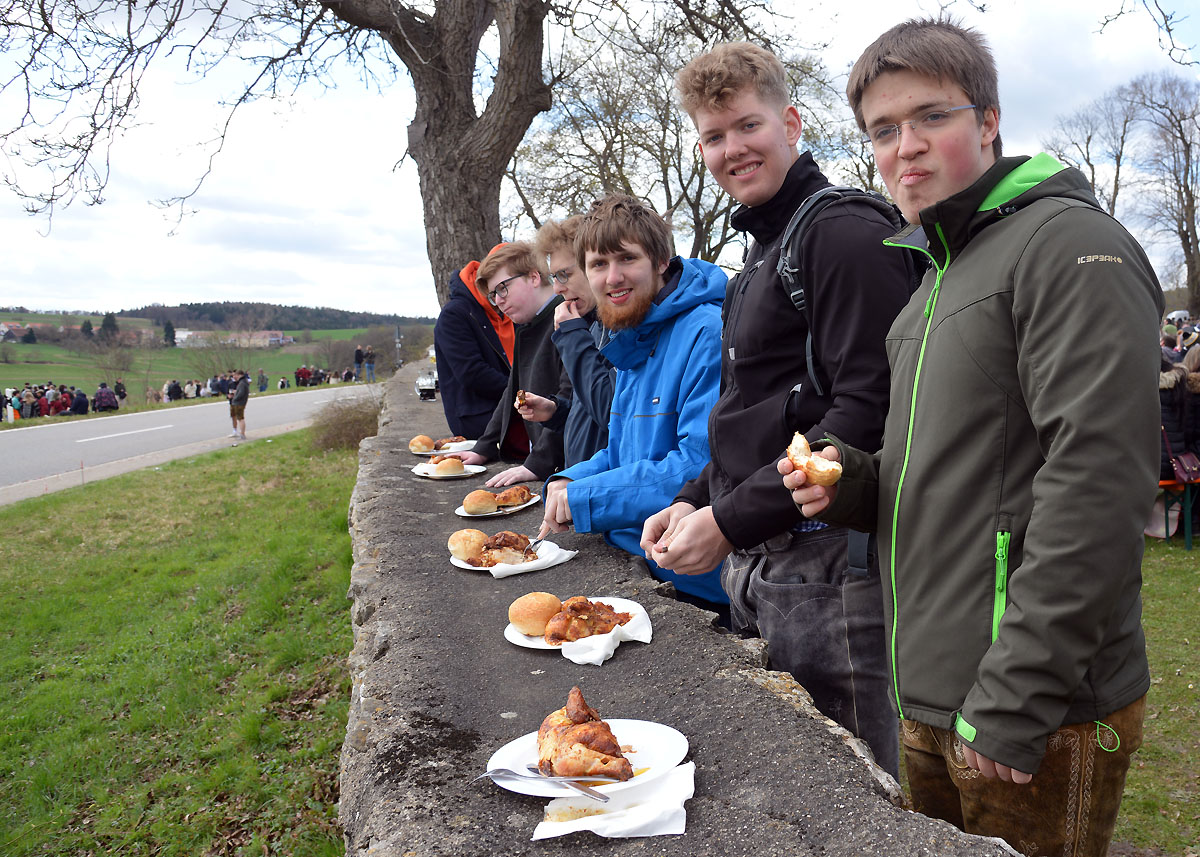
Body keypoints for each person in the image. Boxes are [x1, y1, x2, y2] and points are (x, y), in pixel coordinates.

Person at [781, 19, 1162, 857]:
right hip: (932, 696)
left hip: (1033, 711)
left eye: (931, 116)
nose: (905, 146)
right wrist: (850, 481)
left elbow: (1100, 481)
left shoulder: (1069, 246)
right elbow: (956, 476)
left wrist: (1018, 693)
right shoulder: (933, 282)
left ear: (988, 120)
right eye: (883, 129)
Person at [642, 41, 915, 777]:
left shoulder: (845, 235)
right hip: (770, 569)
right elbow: (746, 415)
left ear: (791, 124)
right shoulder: (757, 259)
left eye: (747, 125)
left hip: (832, 574)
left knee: (856, 792)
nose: (732, 148)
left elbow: (867, 413)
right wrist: (692, 498)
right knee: (788, 778)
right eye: (713, 136)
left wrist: (729, 520)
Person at [537, 193, 726, 608]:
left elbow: (701, 466)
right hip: (634, 556)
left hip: (691, 581)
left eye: (627, 259)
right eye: (598, 264)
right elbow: (622, 453)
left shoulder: (706, 332)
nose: (613, 277)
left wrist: (587, 497)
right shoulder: (632, 333)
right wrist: (572, 479)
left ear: (660, 261)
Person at [454, 243, 568, 487]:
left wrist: (538, 464)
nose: (498, 301)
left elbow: (570, 399)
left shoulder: (567, 319)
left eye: (502, 288)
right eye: (493, 295)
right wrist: (484, 447)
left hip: (568, 466)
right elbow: (513, 392)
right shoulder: (527, 326)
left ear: (534, 277)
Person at [516, 215, 615, 467]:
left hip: (604, 483)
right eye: (554, 277)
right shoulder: (594, 325)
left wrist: (572, 337)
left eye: (564, 275)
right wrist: (555, 412)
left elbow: (611, 414)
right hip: (581, 482)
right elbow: (591, 417)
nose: (557, 289)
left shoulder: (620, 329)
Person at [434, 257, 516, 439]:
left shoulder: (499, 312)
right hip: (478, 416)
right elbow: (472, 372)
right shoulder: (454, 315)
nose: (501, 297)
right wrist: (520, 391)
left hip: (507, 406)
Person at [228, 369, 249, 440]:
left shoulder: (242, 383)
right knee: (239, 418)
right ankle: (240, 433)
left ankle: (242, 434)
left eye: (236, 375)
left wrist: (235, 397)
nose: (235, 377)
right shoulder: (243, 382)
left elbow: (241, 393)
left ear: (240, 375)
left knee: (240, 418)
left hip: (239, 403)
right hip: (239, 402)